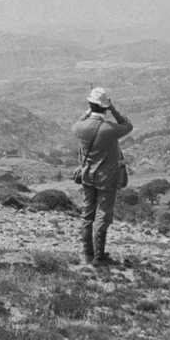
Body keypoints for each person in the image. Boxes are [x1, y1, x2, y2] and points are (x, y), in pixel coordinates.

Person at [72, 87, 133, 266]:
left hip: (87, 175)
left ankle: (86, 254)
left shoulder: (80, 127)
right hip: (107, 177)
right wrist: (113, 109)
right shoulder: (110, 128)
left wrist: (88, 112)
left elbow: (78, 122)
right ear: (105, 108)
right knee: (102, 215)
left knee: (87, 213)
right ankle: (99, 256)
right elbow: (127, 125)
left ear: (90, 105)